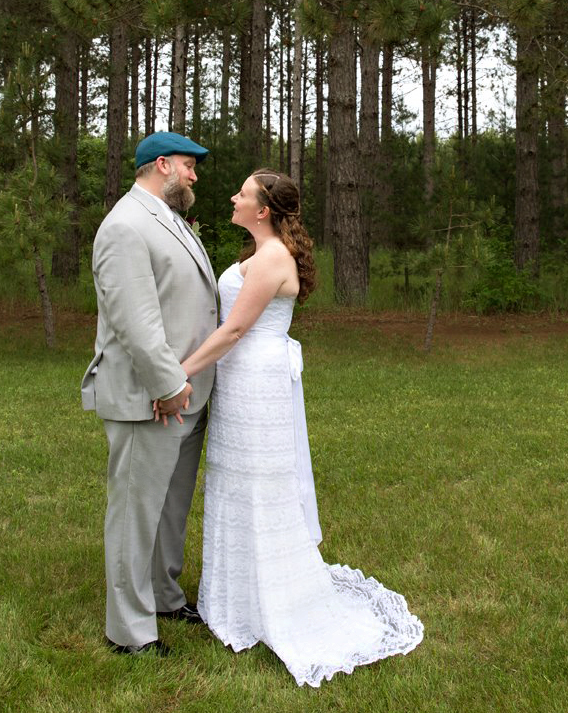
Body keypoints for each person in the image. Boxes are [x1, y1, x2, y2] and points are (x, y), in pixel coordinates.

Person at [156, 169, 424, 687]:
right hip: (239, 383)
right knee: (235, 486)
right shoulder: (260, 251)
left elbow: (235, 329)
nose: (232, 197)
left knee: (261, 490)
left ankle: (269, 602)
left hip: (257, 385)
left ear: (262, 210)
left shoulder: (274, 257)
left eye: (242, 194)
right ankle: (235, 597)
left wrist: (178, 373)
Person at [81, 131, 218, 656]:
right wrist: (169, 384)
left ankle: (163, 594)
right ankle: (129, 631)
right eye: (189, 165)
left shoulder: (169, 218)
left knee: (170, 506)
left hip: (185, 394)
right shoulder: (125, 225)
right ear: (162, 165)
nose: (194, 175)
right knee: (135, 515)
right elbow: (135, 321)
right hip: (151, 398)